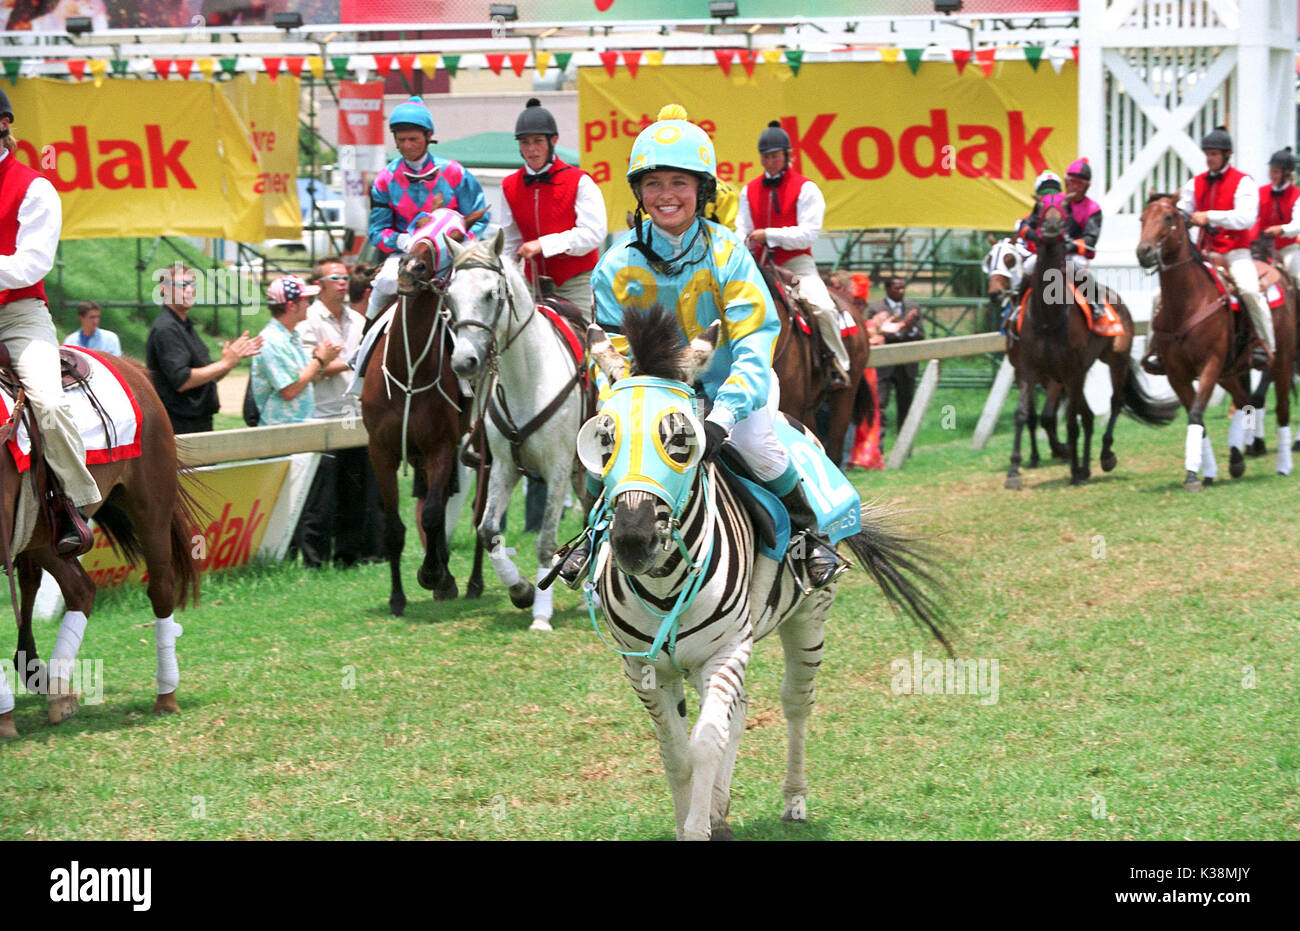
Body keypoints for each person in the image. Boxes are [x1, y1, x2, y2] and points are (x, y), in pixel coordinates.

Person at [559, 104, 839, 589]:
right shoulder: (613, 265)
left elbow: (754, 345)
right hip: (651, 397)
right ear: (639, 192)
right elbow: (612, 353)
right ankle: (589, 535)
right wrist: (624, 403)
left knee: (757, 443)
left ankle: (808, 536)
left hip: (733, 390)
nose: (666, 196)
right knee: (606, 448)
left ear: (701, 190)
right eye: (653, 184)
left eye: (679, 183)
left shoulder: (730, 254)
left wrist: (720, 418)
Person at [0, 89, 99, 555]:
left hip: (18, 315)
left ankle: (72, 504)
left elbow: (31, 264)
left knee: (51, 404)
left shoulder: (35, 187)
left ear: (3, 125)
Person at [1146, 127, 1273, 373]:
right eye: (1207, 154)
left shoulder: (1243, 182)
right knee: (1157, 297)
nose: (1209, 158)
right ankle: (1157, 350)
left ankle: (1264, 345)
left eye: (1214, 154)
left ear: (1227, 155)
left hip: (1235, 253)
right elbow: (1182, 209)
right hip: (1203, 255)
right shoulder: (1196, 182)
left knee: (1249, 289)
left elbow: (1246, 218)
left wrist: (1209, 217)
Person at [736, 120, 851, 389]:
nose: (770, 162)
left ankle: (837, 365)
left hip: (796, 264)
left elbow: (808, 234)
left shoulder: (806, 188)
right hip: (759, 265)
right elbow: (742, 228)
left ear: (788, 156)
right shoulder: (748, 190)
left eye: (775, 156)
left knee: (822, 307)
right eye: (765, 157)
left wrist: (769, 235)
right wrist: (744, 243)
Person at [365, 96, 490, 322]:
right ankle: (363, 346)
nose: (406, 146)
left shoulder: (454, 172)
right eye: (401, 140)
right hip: (407, 255)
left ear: (429, 136)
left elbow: (480, 219)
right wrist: (403, 241)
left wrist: (455, 243)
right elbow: (376, 232)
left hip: (451, 258)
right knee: (383, 283)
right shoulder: (385, 179)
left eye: (413, 139)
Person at [294, 258, 379, 569]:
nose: (343, 282)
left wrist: (346, 362)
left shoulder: (358, 321)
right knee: (322, 497)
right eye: (335, 278)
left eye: (345, 277)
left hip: (355, 415)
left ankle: (350, 556)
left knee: (356, 492)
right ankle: (315, 560)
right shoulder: (308, 321)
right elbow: (311, 371)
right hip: (323, 416)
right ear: (319, 285)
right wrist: (352, 361)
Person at [499, 98, 606, 309]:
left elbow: (594, 234)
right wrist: (502, 276)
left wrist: (544, 244)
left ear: (553, 140)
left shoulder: (580, 180)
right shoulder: (509, 185)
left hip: (575, 283)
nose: (532, 150)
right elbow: (510, 241)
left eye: (538, 141)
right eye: (525, 143)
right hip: (531, 283)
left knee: (583, 339)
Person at [147, 261, 261, 434]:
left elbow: (206, 378)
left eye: (192, 284)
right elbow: (183, 381)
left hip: (198, 421)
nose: (189, 289)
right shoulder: (166, 329)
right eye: (182, 284)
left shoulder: (184, 325)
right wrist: (224, 363)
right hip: (178, 424)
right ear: (165, 289)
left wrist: (232, 360)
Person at [250, 275, 340, 428]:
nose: (308, 305)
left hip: (297, 428)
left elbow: (307, 382)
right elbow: (289, 391)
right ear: (291, 306)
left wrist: (323, 361)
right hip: (279, 435)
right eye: (305, 300)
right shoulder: (271, 340)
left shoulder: (292, 336)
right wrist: (318, 361)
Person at [867, 276, 925, 440]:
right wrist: (901, 328)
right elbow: (874, 333)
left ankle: (905, 445)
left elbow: (920, 334)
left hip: (906, 364)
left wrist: (909, 328)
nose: (901, 291)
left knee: (906, 405)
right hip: (884, 365)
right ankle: (879, 446)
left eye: (902, 288)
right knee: (880, 405)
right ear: (887, 289)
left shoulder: (913, 307)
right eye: (896, 288)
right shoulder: (876, 308)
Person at [1254, 147, 1300, 283]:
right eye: (1271, 171)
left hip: (1287, 249)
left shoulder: (1297, 195)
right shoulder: (1260, 192)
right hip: (1260, 248)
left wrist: (1281, 230)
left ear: (1287, 173)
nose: (1272, 176)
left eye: (1276, 172)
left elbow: (1298, 225)